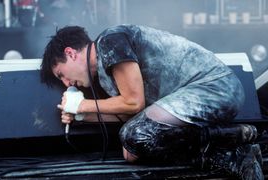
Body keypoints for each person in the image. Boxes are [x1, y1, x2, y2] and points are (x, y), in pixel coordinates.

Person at [40, 25, 264, 179]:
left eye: (61, 74)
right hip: (196, 97)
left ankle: (234, 138)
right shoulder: (106, 75)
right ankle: (231, 151)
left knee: (133, 135)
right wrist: (81, 116)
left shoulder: (109, 42)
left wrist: (82, 106)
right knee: (133, 150)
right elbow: (131, 115)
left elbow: (133, 104)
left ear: (70, 53)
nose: (67, 82)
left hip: (215, 87)